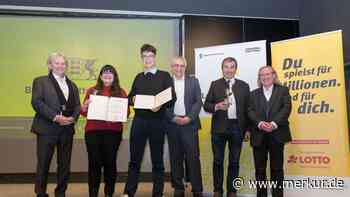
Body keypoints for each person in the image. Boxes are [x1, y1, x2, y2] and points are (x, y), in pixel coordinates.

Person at [123, 44, 176, 197]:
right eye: (144, 56)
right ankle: (129, 192)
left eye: (150, 56)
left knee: (157, 160)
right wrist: (132, 99)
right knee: (134, 159)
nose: (147, 59)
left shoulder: (165, 76)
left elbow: (172, 98)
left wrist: (160, 105)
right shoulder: (138, 77)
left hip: (157, 122)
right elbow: (130, 98)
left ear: (155, 57)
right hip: (139, 122)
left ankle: (157, 193)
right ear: (141, 58)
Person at [31, 52, 80, 197]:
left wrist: (73, 118)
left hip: (67, 130)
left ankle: (61, 193)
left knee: (64, 165)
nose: (60, 66)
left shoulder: (73, 85)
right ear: (50, 65)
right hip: (47, 129)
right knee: (43, 163)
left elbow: (77, 105)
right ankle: (40, 193)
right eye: (57, 63)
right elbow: (37, 102)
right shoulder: (40, 81)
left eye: (63, 63)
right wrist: (55, 117)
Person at [203, 57, 250, 197]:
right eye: (226, 67)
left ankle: (232, 191)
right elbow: (206, 105)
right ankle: (217, 190)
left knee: (234, 162)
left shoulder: (244, 85)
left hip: (237, 127)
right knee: (218, 161)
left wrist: (248, 129)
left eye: (232, 67)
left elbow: (248, 109)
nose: (229, 69)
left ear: (236, 69)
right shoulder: (215, 84)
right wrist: (216, 106)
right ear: (222, 68)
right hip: (219, 128)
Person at [80, 65, 128, 197]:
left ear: (114, 77)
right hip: (93, 132)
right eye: (104, 73)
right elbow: (83, 112)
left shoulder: (121, 92)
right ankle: (93, 193)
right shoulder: (92, 90)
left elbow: (126, 113)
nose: (107, 75)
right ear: (100, 76)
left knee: (110, 163)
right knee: (94, 163)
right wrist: (84, 107)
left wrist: (122, 110)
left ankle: (109, 193)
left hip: (113, 133)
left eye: (110, 73)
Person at [248, 66, 292, 197]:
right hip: (258, 135)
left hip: (277, 135)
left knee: (277, 169)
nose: (265, 77)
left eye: (267, 74)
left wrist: (273, 124)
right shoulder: (253, 94)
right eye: (262, 75)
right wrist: (260, 123)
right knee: (260, 170)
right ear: (259, 78)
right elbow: (250, 111)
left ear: (274, 75)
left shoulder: (283, 90)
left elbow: (286, 108)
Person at [166, 56, 203, 197]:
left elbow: (198, 102)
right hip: (172, 124)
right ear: (171, 67)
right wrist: (173, 117)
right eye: (176, 65)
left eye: (181, 66)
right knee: (175, 157)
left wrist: (189, 118)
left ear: (185, 67)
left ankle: (197, 188)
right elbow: (163, 104)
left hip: (190, 124)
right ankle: (178, 187)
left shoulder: (193, 81)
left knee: (193, 157)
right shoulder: (166, 82)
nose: (179, 68)